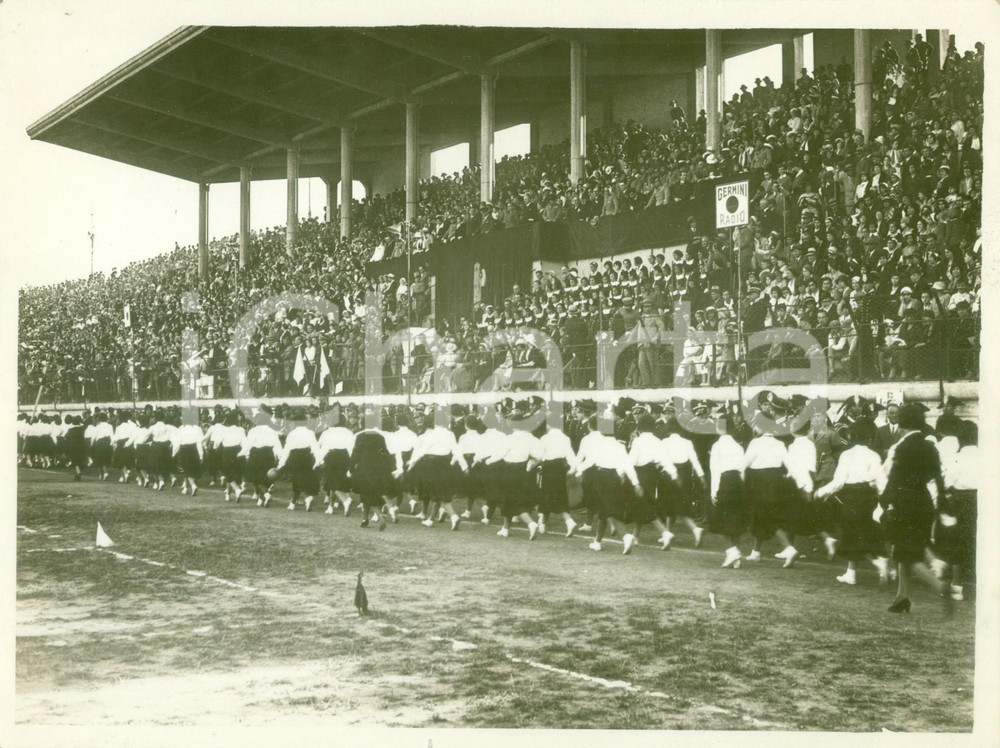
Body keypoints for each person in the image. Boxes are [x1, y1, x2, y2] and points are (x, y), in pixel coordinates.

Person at [881, 403, 953, 615]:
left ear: (902, 423)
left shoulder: (901, 447)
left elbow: (893, 479)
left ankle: (940, 586)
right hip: (924, 501)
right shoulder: (930, 446)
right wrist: (941, 503)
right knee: (907, 551)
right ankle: (902, 597)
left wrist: (884, 501)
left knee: (907, 554)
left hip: (904, 503)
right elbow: (938, 477)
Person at [815, 419, 890, 586]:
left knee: (852, 534)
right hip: (869, 498)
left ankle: (872, 564)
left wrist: (820, 492)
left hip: (851, 498)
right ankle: (857, 570)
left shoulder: (847, 455)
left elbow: (839, 482)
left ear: (851, 436)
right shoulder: (873, 455)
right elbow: (881, 482)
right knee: (864, 531)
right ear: (869, 437)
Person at [575, 430, 643, 553]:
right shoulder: (620, 446)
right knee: (604, 510)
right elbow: (628, 465)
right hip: (614, 477)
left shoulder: (598, 445)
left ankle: (625, 536)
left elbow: (589, 461)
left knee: (607, 511)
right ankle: (597, 542)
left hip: (601, 477)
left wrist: (577, 470)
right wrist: (635, 483)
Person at [935, 423, 978, 601]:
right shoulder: (990, 456)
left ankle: (957, 585)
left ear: (959, 439)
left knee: (959, 540)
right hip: (984, 499)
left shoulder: (957, 458)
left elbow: (946, 482)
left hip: (962, 500)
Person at [408, 413, 468, 530]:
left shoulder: (431, 434)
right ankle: (431, 519)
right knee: (440, 492)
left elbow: (422, 452)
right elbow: (456, 451)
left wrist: (411, 464)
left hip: (431, 465)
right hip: (445, 464)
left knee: (439, 494)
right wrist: (464, 466)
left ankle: (453, 516)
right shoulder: (450, 434)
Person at [628, 413, 677, 550]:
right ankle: (636, 536)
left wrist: (628, 476)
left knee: (644, 505)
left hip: (641, 474)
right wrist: (673, 473)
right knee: (643, 503)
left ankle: (664, 532)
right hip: (653, 474)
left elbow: (631, 460)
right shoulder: (657, 441)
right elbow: (664, 459)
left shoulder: (638, 441)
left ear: (640, 426)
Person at [708, 414, 747, 568]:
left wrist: (714, 491)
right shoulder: (738, 446)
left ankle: (732, 551)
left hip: (725, 481)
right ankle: (735, 555)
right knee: (735, 518)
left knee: (721, 518)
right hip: (737, 482)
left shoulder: (717, 446)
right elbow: (742, 469)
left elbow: (714, 470)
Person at [533, 417, 580, 537]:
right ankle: (543, 524)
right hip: (560, 468)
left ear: (549, 425)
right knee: (558, 495)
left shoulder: (545, 438)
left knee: (547, 495)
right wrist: (573, 468)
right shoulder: (565, 438)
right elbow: (570, 455)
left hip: (549, 468)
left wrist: (536, 463)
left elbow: (539, 455)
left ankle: (567, 521)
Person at [276, 415, 323, 511]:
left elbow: (287, 450)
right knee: (305, 479)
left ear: (295, 423)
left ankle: (298, 501)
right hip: (306, 457)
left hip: (294, 458)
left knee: (296, 481)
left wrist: (280, 464)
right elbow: (315, 448)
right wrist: (319, 461)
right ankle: (299, 501)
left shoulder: (291, 434)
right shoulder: (310, 433)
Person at [241, 410, 283, 507]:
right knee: (265, 477)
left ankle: (266, 495)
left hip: (256, 454)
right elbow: (277, 446)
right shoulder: (273, 431)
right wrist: (280, 457)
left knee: (255, 478)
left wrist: (243, 454)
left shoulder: (253, 431)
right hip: (268, 455)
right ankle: (261, 498)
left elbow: (248, 445)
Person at [317, 416, 356, 515]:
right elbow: (351, 448)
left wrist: (320, 461)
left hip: (331, 456)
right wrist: (353, 462)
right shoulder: (348, 432)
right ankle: (345, 503)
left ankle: (331, 506)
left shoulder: (327, 432)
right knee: (344, 480)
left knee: (332, 482)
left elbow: (320, 446)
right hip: (344, 456)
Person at [218, 410, 246, 502]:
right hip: (238, 451)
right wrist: (242, 452)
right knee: (235, 473)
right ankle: (228, 494)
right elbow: (244, 442)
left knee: (228, 473)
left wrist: (215, 447)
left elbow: (217, 442)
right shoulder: (241, 429)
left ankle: (237, 490)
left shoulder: (224, 429)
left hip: (227, 451)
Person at [173, 418, 205, 497]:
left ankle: (192, 485)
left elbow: (177, 442)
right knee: (192, 468)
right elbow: (200, 442)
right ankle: (186, 487)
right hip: (194, 449)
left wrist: (173, 453)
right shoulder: (198, 428)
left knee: (186, 468)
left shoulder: (181, 429)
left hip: (185, 449)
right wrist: (201, 454)